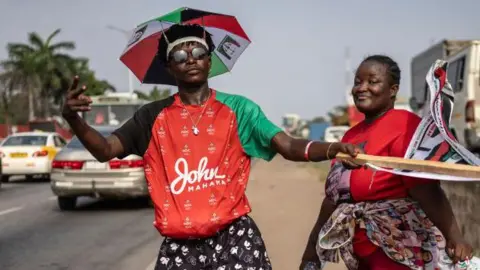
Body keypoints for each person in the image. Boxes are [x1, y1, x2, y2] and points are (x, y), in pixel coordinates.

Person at [61, 23, 361, 270]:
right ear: (168, 67)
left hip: (235, 241)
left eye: (199, 52)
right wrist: (73, 118)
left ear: (210, 60)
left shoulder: (239, 110)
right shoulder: (151, 117)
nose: (190, 59)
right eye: (180, 55)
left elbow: (288, 145)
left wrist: (332, 148)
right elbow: (105, 149)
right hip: (179, 249)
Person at [299, 55, 473, 270]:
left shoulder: (405, 126)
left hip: (400, 251)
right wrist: (312, 251)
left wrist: (454, 237)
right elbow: (334, 198)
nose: (361, 88)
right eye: (357, 82)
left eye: (372, 82)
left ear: (393, 90)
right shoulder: (350, 136)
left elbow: (426, 190)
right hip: (363, 250)